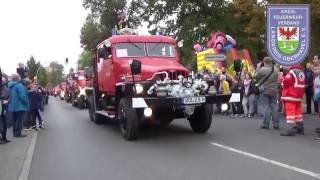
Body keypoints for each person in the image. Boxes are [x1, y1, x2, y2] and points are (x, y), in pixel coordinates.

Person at [254, 57, 279, 129]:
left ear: (264, 62)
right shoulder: (275, 70)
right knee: (274, 107)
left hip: (264, 90)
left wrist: (258, 68)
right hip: (274, 90)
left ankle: (266, 124)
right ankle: (276, 124)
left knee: (266, 107)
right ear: (271, 62)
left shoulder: (262, 70)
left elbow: (255, 77)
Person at [280, 64, 305, 136]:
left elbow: (286, 82)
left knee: (290, 113)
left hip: (290, 95)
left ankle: (290, 130)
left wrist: (282, 79)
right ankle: (300, 129)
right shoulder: (301, 72)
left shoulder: (292, 72)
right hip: (298, 96)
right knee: (298, 113)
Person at [1, 75, 11, 143]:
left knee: (4, 123)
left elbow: (11, 97)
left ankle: (4, 138)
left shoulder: (7, 89)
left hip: (4, 108)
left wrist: (7, 101)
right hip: (1, 107)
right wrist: (2, 101)